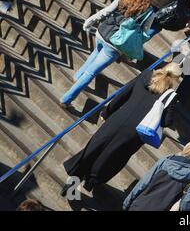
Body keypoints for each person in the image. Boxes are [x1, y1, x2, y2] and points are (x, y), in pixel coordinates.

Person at [61, 63, 182, 196]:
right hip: (135, 134)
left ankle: (73, 181)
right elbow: (166, 121)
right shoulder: (171, 95)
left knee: (95, 147)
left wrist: (107, 112)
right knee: (113, 156)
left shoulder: (146, 74)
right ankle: (91, 182)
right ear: (176, 79)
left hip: (118, 119)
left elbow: (123, 94)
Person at [60, 0, 157, 108]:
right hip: (115, 45)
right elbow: (144, 35)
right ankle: (66, 100)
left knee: (95, 53)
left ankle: (78, 76)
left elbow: (106, 11)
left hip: (101, 33)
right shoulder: (149, 13)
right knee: (91, 73)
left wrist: (90, 20)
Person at [123, 138, 190, 211]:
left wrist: (127, 202)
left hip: (139, 205)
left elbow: (144, 183)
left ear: (188, 147)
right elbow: (185, 206)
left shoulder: (166, 160)